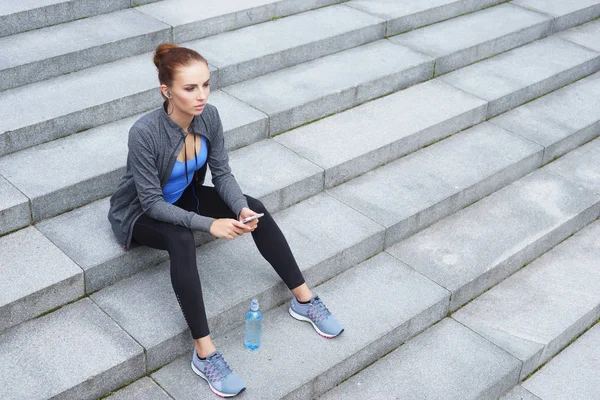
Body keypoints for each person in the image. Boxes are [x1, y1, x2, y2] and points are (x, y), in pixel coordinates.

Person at [107, 43, 343, 398]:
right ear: (166, 91)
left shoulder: (210, 116)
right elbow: (152, 202)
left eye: (205, 84)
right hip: (139, 213)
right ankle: (205, 354)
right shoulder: (145, 132)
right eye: (190, 88)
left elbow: (222, 174)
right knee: (182, 239)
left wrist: (239, 209)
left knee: (254, 205)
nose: (201, 95)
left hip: (185, 195)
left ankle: (304, 300)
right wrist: (208, 224)